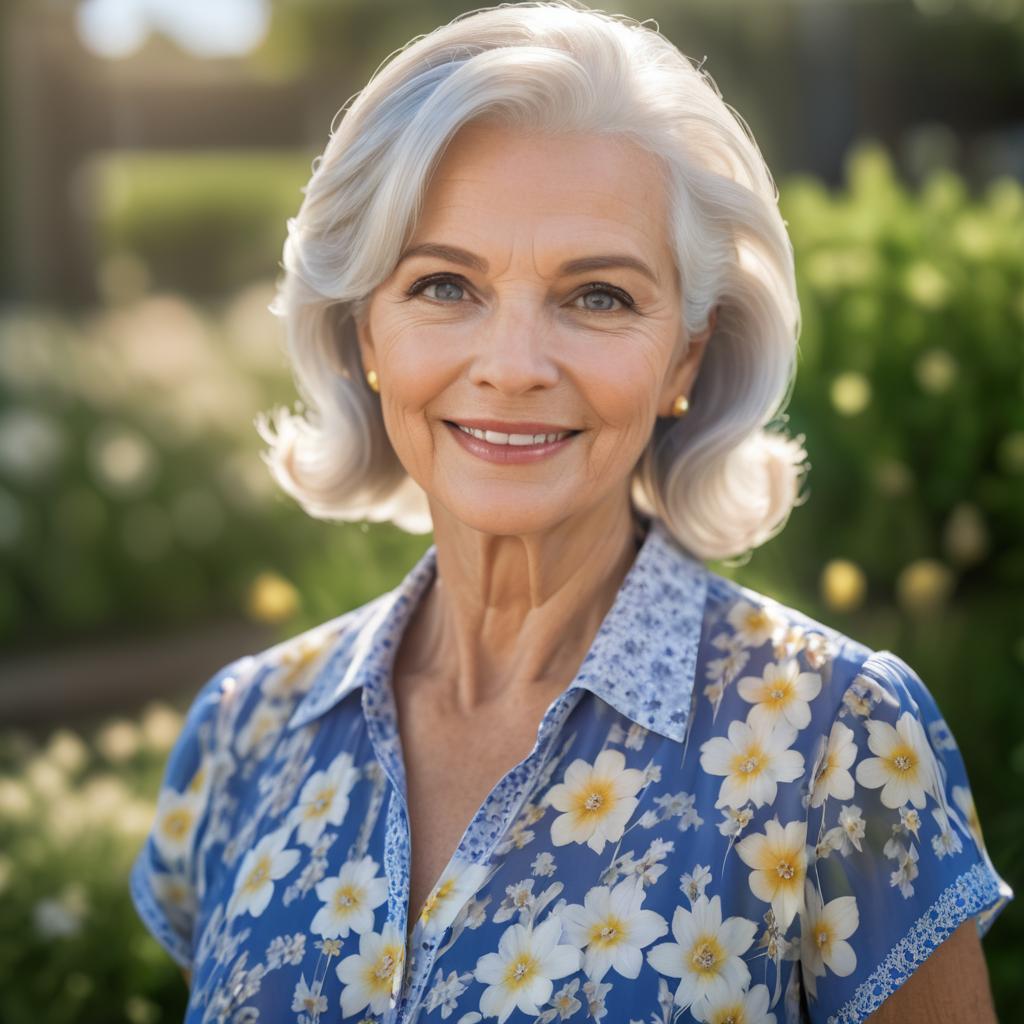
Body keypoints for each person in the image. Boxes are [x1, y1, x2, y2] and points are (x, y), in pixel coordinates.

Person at [129, 3, 1014, 1022]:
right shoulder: (246, 731)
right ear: (364, 328)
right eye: (444, 284)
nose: (511, 367)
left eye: (596, 296)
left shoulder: (836, 742)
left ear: (684, 351)